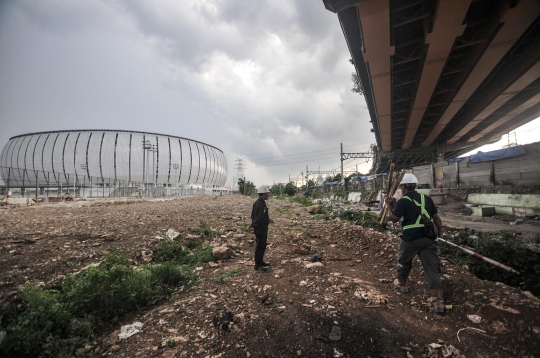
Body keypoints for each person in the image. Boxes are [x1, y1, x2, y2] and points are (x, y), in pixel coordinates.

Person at [384, 173, 445, 313]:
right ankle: (438, 301)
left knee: (403, 260)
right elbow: (436, 218)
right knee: (431, 267)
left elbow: (394, 219)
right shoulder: (427, 199)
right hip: (428, 238)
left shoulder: (403, 201)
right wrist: (440, 232)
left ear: (403, 186)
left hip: (410, 238)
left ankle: (402, 284)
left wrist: (388, 205)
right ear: (415, 185)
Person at [249, 185, 272, 271]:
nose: (268, 195)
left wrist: (253, 224)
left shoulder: (256, 202)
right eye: (267, 193)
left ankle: (260, 261)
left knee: (260, 245)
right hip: (261, 229)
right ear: (263, 194)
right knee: (260, 246)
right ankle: (258, 265)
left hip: (258, 228)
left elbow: (253, 215)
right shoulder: (262, 204)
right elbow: (260, 217)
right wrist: (253, 224)